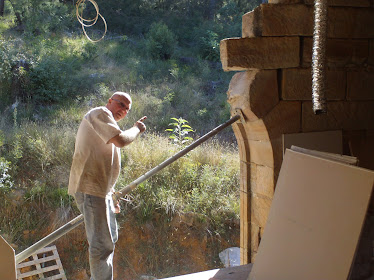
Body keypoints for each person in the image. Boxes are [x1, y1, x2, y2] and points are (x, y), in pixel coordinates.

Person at [68, 92, 146, 280]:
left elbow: (105, 162)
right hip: (90, 189)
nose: (123, 110)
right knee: (101, 246)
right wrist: (137, 128)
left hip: (101, 191)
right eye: (121, 104)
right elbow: (121, 140)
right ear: (110, 101)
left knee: (110, 239)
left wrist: (111, 193)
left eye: (127, 109)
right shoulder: (100, 113)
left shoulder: (108, 125)